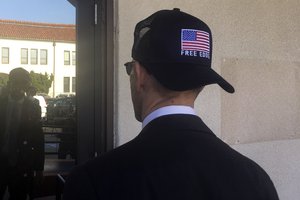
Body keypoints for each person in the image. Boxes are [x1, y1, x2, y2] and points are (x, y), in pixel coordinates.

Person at [63, 8, 279, 200]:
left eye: (130, 69)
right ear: (202, 84)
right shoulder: (255, 180)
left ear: (139, 75)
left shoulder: (93, 182)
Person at [0, 68, 44, 200]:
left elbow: (38, 139)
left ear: (27, 85)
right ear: (10, 83)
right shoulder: (0, 104)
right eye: (16, 82)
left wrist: (39, 169)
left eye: (22, 83)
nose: (19, 86)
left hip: (22, 165)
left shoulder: (33, 106)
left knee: (19, 197)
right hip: (0, 162)